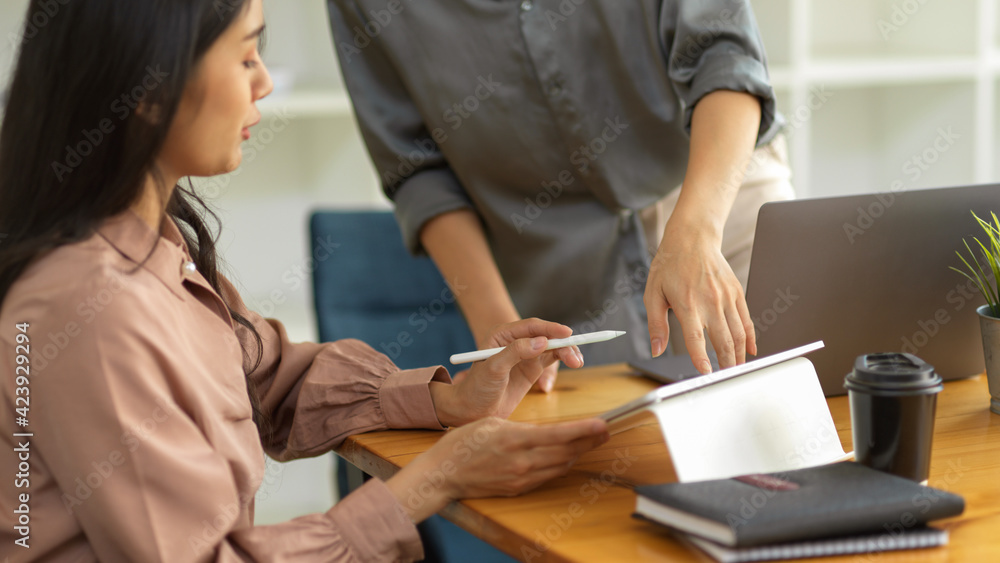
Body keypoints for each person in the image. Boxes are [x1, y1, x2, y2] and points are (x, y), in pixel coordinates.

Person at [0, 1, 608, 561]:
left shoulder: (157, 245)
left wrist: (450, 401)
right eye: (244, 57)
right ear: (146, 89)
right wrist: (437, 478)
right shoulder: (87, 308)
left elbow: (269, 378)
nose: (264, 81)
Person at [327, 0, 795, 391]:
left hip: (716, 189)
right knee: (623, 470)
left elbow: (727, 58)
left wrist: (696, 230)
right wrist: (493, 318)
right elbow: (417, 170)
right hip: (559, 263)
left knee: (800, 417)